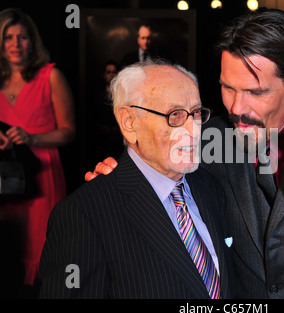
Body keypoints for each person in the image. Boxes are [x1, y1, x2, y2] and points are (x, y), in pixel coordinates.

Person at [87, 9, 284, 298]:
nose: (236, 107)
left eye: (255, 92)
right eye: (227, 88)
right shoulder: (204, 137)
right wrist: (124, 186)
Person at [39, 60, 233, 299]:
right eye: (175, 115)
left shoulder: (210, 186)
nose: (193, 130)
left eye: (196, 113)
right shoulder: (84, 214)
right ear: (130, 123)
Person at [0, 8, 76, 287]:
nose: (16, 44)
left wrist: (31, 138)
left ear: (33, 41)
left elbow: (69, 132)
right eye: (8, 37)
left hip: (42, 172)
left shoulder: (50, 76)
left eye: (22, 37)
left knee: (39, 244)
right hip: (4, 174)